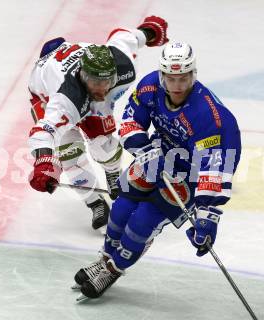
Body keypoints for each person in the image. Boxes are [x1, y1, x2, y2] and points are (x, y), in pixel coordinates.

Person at [74, 41, 242, 299]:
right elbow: (131, 121)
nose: (177, 86)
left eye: (183, 78)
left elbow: (214, 167)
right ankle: (105, 257)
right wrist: (143, 149)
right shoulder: (150, 85)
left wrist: (207, 217)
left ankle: (113, 268)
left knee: (141, 222)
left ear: (193, 75)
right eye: (171, 78)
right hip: (155, 155)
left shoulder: (209, 117)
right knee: (119, 210)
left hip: (187, 176)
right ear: (162, 75)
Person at [27, 16, 169, 230]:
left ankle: (112, 175)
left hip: (80, 91)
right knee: (69, 153)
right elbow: (43, 131)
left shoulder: (123, 63)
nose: (102, 89)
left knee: (103, 143)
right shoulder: (66, 99)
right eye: (95, 82)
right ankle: (95, 203)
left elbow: (124, 36)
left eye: (107, 82)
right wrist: (44, 160)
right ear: (83, 76)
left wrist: (148, 32)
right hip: (46, 95)